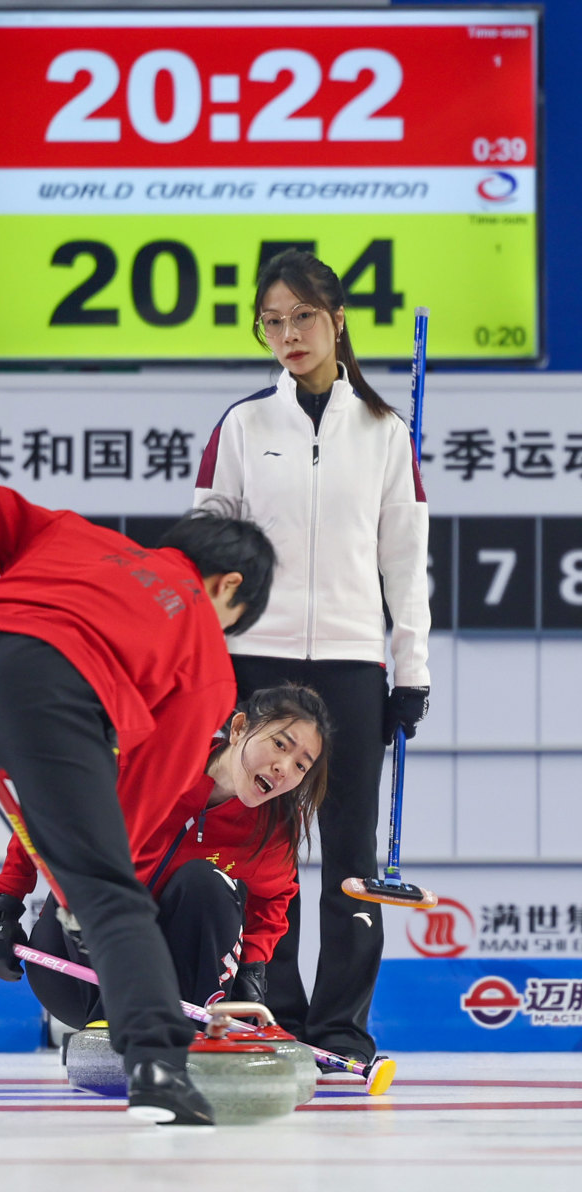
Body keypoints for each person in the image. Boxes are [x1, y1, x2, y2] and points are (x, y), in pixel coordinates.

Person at [0, 475, 276, 1127]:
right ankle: (157, 1070)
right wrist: (86, 877)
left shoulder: (73, 534)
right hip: (54, 677)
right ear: (230, 587)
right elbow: (140, 806)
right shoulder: (206, 651)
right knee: (109, 884)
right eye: (235, 623)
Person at [193, 248, 431, 1067]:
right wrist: (208, 655)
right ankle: (273, 1013)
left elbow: (406, 560)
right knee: (264, 849)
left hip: (352, 663)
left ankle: (342, 1027)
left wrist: (413, 669)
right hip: (255, 664)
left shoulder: (385, 430)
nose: (288, 334)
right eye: (273, 321)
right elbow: (205, 549)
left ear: (337, 322)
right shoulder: (243, 425)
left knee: (351, 859)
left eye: (303, 317)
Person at [0, 684, 330, 1032]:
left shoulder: (276, 825)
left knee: (206, 882)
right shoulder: (151, 755)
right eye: (280, 744)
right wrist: (2, 905)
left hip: (175, 990)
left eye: (302, 766)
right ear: (238, 728)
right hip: (78, 973)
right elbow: (50, 815)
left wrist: (252, 969)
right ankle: (107, 1027)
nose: (285, 767)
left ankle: (186, 1032)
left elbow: (272, 901)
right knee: (97, 862)